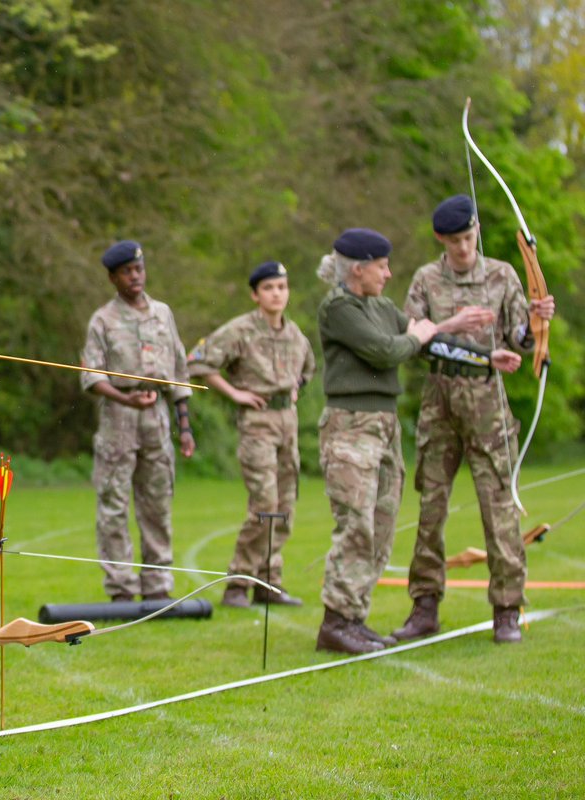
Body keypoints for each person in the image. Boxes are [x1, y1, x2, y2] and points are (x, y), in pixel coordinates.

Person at [313, 228, 520, 655]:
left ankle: (354, 619)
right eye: (381, 266)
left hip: (384, 425)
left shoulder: (380, 306)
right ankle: (336, 621)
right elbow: (385, 351)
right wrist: (423, 334)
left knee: (381, 524)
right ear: (358, 269)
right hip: (351, 425)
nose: (389, 274)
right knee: (355, 524)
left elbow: (433, 342)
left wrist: (485, 357)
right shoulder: (339, 307)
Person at [395, 195, 556, 644]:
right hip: (440, 401)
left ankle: (507, 608)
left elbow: (521, 338)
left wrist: (536, 322)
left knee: (499, 507)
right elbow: (415, 340)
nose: (463, 248)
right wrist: (458, 330)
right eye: (454, 242)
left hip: (488, 404)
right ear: (441, 240)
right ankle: (424, 605)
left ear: (477, 232)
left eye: (468, 238)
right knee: (431, 508)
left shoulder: (501, 274)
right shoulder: (427, 279)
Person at [189, 261, 316, 608]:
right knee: (264, 504)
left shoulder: (295, 334)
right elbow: (197, 361)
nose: (277, 294)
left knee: (285, 506)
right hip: (257, 423)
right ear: (255, 295)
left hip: (287, 422)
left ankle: (269, 582)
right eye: (269, 288)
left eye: (282, 287)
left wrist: (295, 388)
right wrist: (235, 393)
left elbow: (308, 369)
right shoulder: (240, 330)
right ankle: (238, 583)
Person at [80, 240, 194, 603]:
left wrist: (185, 426)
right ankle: (121, 588)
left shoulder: (163, 314)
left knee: (157, 503)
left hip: (156, 417)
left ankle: (157, 584)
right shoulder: (103, 320)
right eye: (126, 271)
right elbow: (91, 375)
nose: (135, 276)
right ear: (113, 278)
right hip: (119, 417)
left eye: (139, 269)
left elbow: (179, 371)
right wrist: (124, 398)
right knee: (113, 505)